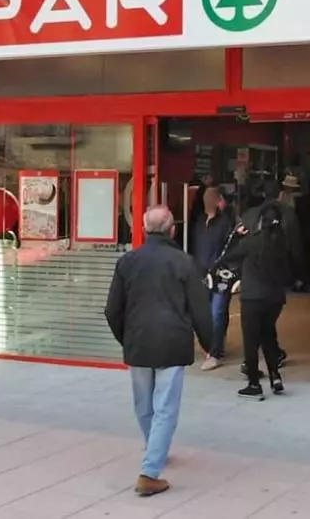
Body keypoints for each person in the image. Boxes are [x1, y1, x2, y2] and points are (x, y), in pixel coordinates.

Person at [105, 205, 213, 497]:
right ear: (172, 230)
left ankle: (154, 450)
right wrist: (209, 343)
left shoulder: (128, 261)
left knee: (144, 405)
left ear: (143, 229)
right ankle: (150, 472)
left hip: (138, 341)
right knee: (165, 407)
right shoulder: (184, 262)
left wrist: (126, 339)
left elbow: (113, 309)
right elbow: (200, 309)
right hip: (172, 342)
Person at [220, 203, 292, 400]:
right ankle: (275, 377)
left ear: (261, 221)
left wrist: (237, 237)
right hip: (275, 299)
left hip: (253, 298)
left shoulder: (251, 242)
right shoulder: (282, 244)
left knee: (251, 341)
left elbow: (227, 257)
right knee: (268, 335)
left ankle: (254, 384)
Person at [189, 186, 235, 370]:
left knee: (217, 312)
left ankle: (214, 353)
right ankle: (214, 346)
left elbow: (231, 247)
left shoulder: (225, 222)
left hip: (221, 275)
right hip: (201, 273)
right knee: (204, 313)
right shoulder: (199, 222)